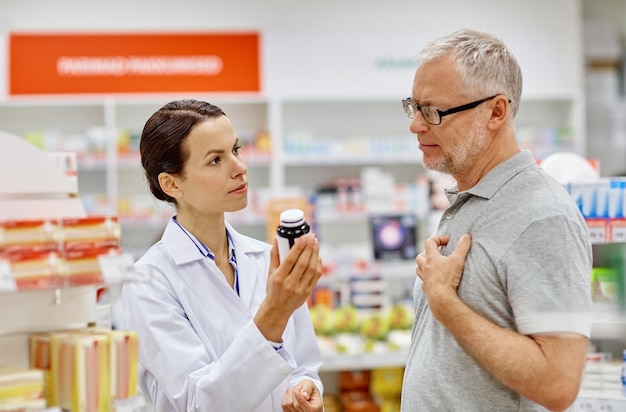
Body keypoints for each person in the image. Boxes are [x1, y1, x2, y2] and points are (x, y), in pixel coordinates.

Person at [399, 29, 592, 411]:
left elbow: (558, 383)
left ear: (496, 112)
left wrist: (445, 303)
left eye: (433, 111)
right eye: (413, 106)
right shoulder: (472, 199)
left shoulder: (542, 216)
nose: (416, 125)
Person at [120, 99, 324, 412]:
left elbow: (304, 364)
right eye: (216, 160)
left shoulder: (265, 258)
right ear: (172, 183)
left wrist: (306, 389)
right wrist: (274, 312)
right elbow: (198, 403)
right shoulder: (149, 282)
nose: (240, 168)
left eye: (236, 150)